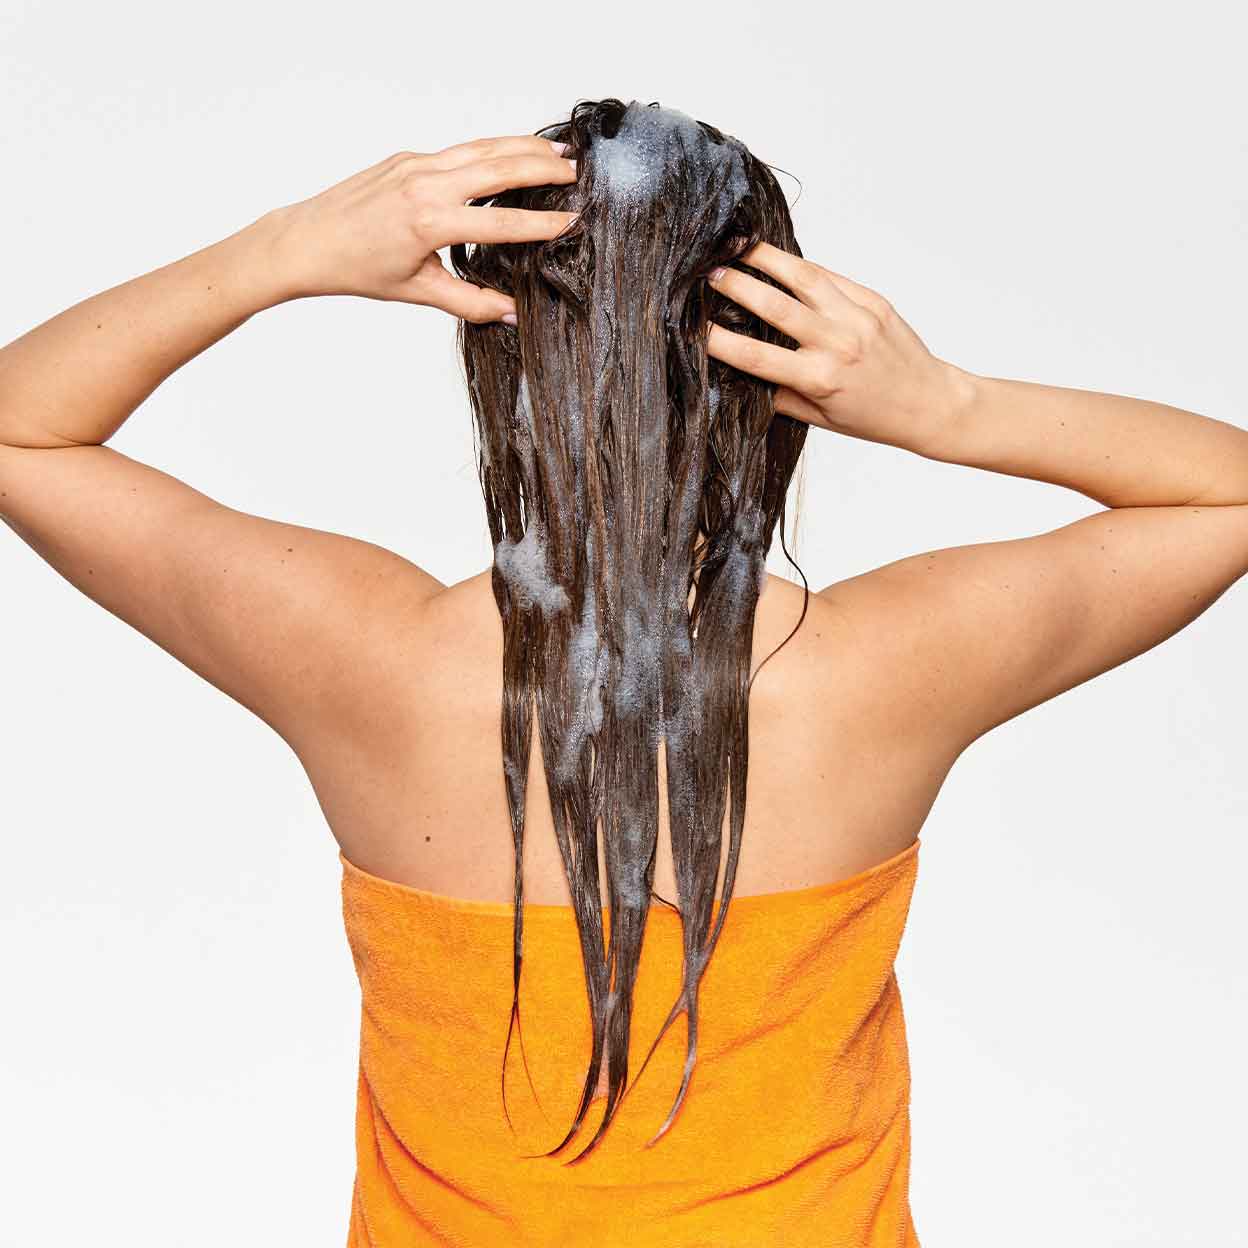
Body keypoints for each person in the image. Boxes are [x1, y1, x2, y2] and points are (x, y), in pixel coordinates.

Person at [2, 98, 1245, 1246]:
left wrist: (280, 250)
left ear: (499, 354)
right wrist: (950, 406)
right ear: (781, 357)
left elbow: (21, 430)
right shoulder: (882, 669)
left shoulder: (363, 658)